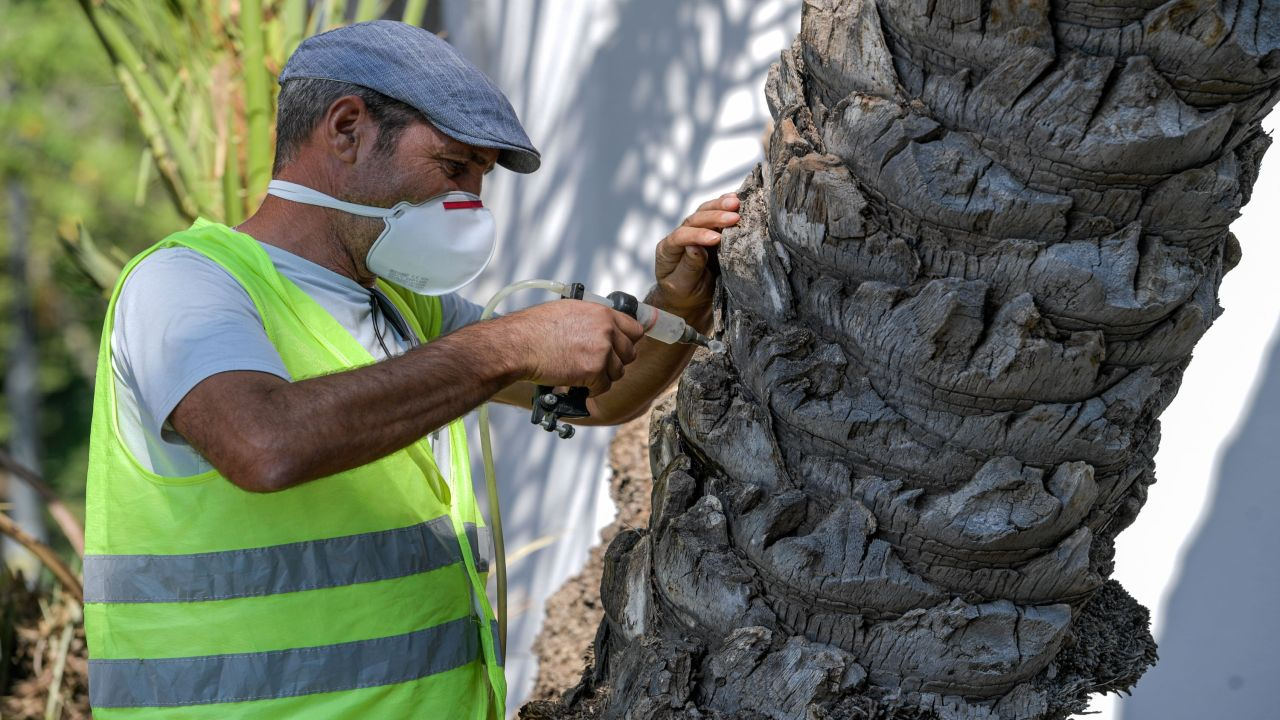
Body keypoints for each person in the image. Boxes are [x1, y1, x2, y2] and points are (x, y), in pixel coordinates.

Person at [81, 19, 740, 720]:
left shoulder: (408, 313)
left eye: (478, 180)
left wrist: (681, 302)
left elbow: (601, 400)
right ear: (346, 128)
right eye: (453, 168)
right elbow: (262, 445)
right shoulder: (185, 283)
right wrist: (504, 346)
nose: (469, 205)